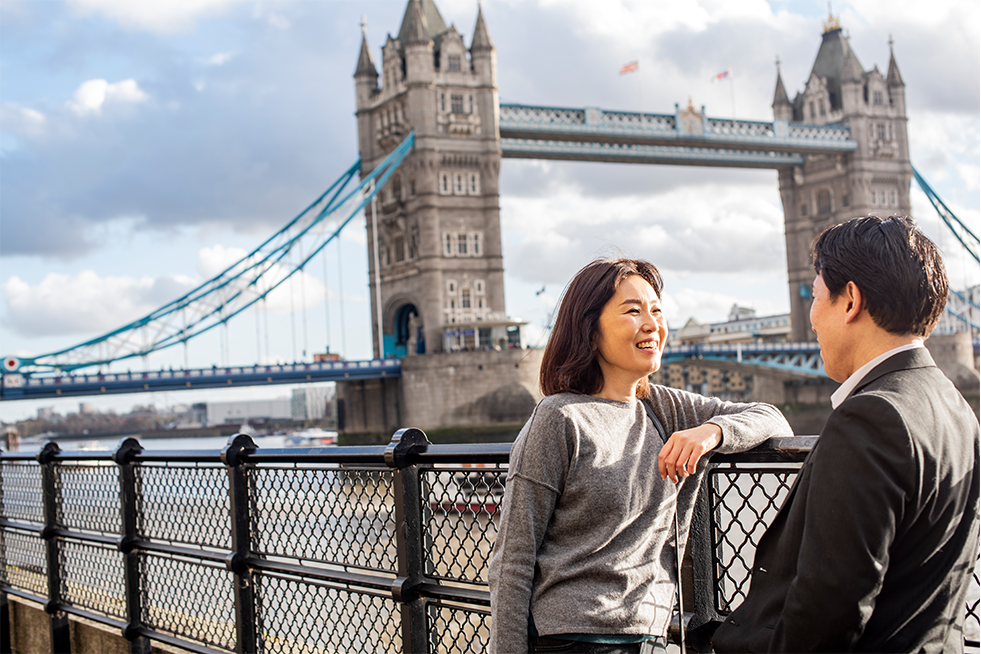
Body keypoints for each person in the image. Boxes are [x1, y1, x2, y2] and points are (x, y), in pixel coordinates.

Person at [488, 258, 792, 653]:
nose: (652, 324)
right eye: (633, 311)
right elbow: (512, 560)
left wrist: (713, 431)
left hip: (651, 636)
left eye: (657, 310)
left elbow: (773, 419)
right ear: (589, 329)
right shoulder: (559, 417)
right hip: (572, 640)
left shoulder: (665, 409)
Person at [713, 215, 980, 652]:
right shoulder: (955, 406)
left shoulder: (871, 417)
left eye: (816, 297)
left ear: (850, 300)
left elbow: (829, 609)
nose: (813, 319)